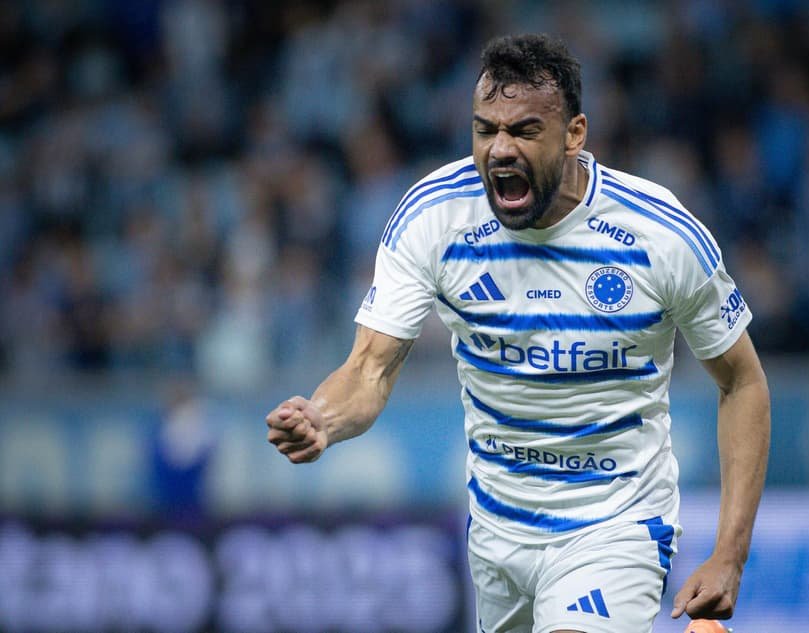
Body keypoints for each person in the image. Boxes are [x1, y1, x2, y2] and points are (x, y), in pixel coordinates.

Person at [265, 34, 770, 633]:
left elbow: (742, 382)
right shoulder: (434, 217)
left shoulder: (658, 234)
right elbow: (369, 369)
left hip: (616, 526)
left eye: (524, 131)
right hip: (496, 534)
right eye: (485, 130)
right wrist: (323, 416)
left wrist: (729, 556)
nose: (499, 149)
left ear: (574, 134)